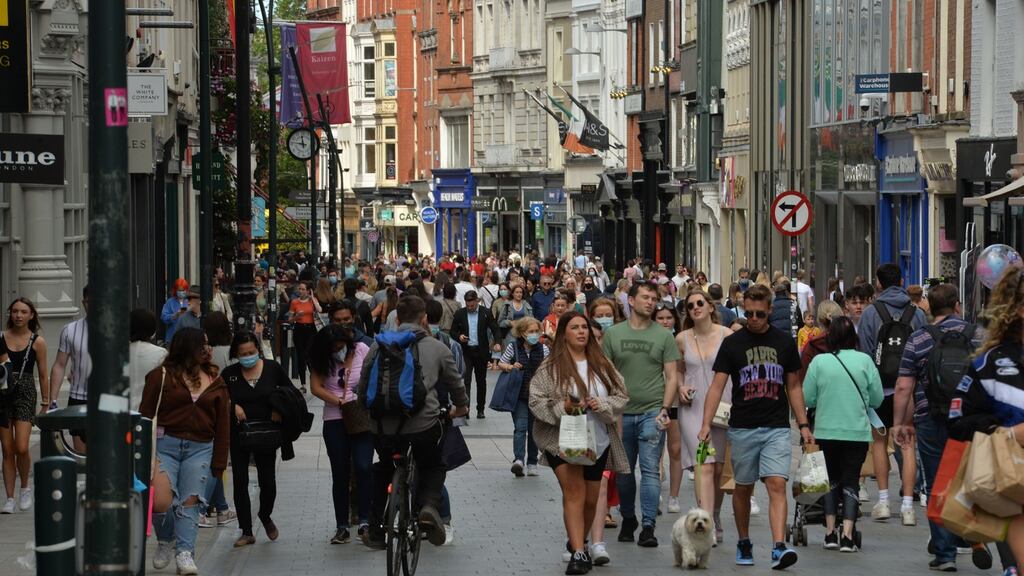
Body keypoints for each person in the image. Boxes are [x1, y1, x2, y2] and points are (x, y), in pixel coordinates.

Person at [698, 283, 813, 569]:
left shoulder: (784, 342)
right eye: (748, 313)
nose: (753, 319)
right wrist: (704, 425)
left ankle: (778, 546)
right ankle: (744, 540)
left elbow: (794, 386)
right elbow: (717, 386)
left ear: (770, 311)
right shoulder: (733, 343)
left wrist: (804, 424)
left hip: (776, 426)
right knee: (743, 489)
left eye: (759, 314)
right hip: (743, 426)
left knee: (776, 483)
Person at [892, 284, 998, 571]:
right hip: (972, 419)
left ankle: (945, 553)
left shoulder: (919, 338)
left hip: (931, 418)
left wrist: (899, 423)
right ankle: (975, 535)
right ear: (957, 306)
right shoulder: (979, 335)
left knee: (938, 483)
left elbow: (904, 386)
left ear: (930, 308)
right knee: (971, 479)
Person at [358, 296, 468, 549]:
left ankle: (375, 528)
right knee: (434, 464)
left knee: (384, 467)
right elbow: (456, 384)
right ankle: (429, 506)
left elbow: (363, 385)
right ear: (425, 318)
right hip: (422, 426)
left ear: (396, 319)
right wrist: (460, 408)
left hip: (383, 427)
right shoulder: (437, 347)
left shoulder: (378, 345)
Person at [530, 312, 629, 575]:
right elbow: (536, 400)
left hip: (597, 439)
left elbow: (621, 395)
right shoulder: (550, 366)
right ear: (564, 333)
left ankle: (578, 539)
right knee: (574, 492)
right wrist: (562, 405)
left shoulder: (602, 364)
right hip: (562, 439)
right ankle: (578, 553)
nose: (581, 332)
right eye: (575, 328)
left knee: (591, 499)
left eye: (584, 327)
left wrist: (603, 404)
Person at [947, 268, 1024, 576]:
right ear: (1017, 309)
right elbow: (958, 420)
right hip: (1016, 481)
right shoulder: (988, 365)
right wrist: (1004, 431)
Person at [140, 327, 230, 575]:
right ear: (188, 347)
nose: (207, 349)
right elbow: (145, 415)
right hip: (164, 444)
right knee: (160, 502)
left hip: (201, 447)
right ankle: (165, 539)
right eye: (202, 344)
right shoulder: (161, 376)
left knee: (191, 501)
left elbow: (223, 424)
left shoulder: (215, 379)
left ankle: (185, 554)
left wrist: (219, 463)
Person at [602, 282, 680, 547]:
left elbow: (671, 377)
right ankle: (627, 518)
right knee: (623, 472)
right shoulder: (613, 334)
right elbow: (605, 374)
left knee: (649, 471)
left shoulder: (664, 336)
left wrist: (664, 409)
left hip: (651, 411)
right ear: (631, 301)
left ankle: (648, 525)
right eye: (645, 297)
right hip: (622, 413)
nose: (651, 302)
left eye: (654, 298)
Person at [802, 316, 883, 553]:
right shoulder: (865, 361)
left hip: (827, 431)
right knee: (851, 480)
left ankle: (829, 533)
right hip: (856, 432)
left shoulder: (819, 362)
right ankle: (847, 535)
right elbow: (877, 398)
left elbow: (808, 398)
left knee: (831, 481)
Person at [857, 263, 926, 523]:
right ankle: (908, 505)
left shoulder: (871, 313)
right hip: (907, 390)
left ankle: (883, 501)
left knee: (878, 442)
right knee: (908, 444)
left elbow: (865, 352)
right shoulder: (916, 313)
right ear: (901, 280)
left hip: (879, 389)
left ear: (878, 283)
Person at [222, 331, 293, 547]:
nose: (248, 356)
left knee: (268, 482)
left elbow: (290, 392)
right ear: (236, 354)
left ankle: (265, 514)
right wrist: (232, 406)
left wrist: (278, 408)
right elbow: (218, 399)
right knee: (240, 481)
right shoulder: (229, 373)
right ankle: (246, 530)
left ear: (258, 350)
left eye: (251, 352)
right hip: (239, 433)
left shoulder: (272, 368)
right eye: (243, 353)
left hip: (266, 433)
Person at [676, 288, 733, 544]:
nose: (695, 307)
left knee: (719, 468)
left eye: (700, 303)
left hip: (723, 407)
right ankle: (706, 523)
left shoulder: (727, 335)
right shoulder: (681, 338)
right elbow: (676, 371)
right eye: (690, 305)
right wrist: (680, 386)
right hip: (693, 407)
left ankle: (715, 514)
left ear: (711, 306)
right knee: (704, 464)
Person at [308, 324, 373, 544]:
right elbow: (315, 388)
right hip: (335, 419)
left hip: (360, 417)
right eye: (334, 346)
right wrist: (339, 401)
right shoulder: (321, 359)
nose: (339, 349)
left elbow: (373, 376)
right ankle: (342, 525)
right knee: (340, 473)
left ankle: (365, 521)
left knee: (364, 467)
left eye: (341, 345)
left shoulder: (362, 350)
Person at [0, 298, 48, 513]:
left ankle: (25, 488)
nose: (18, 315)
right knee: (7, 449)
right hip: (2, 394)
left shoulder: (37, 341)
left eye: (23, 312)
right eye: (15, 311)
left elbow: (44, 374)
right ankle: (9, 498)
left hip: (26, 391)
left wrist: (46, 403)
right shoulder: (1, 338)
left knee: (21, 446)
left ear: (31, 315)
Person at [497, 317, 549, 477]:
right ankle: (518, 460)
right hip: (518, 395)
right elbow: (501, 363)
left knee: (534, 431)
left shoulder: (544, 350)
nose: (534, 334)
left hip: (537, 397)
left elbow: (550, 368)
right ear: (522, 333)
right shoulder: (513, 347)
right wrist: (511, 366)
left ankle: (532, 463)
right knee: (520, 427)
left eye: (536, 331)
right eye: (530, 331)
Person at [49, 285, 91, 452]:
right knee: (81, 456)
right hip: (78, 396)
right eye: (90, 301)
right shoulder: (70, 330)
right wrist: (52, 400)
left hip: (108, 397)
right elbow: (60, 364)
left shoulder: (119, 329)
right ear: (83, 303)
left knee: (106, 454)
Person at [652, 302, 684, 514]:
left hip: (676, 403)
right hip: (654, 401)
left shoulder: (680, 341)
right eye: (661, 318)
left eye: (668, 318)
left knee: (675, 450)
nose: (665, 321)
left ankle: (674, 496)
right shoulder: (650, 340)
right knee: (654, 451)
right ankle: (655, 492)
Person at [450, 290, 502, 419]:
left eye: (472, 305)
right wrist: (459, 336)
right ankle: (466, 409)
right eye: (468, 305)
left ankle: (480, 409)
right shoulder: (460, 314)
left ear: (477, 301)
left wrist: (497, 342)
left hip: (481, 351)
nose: (470, 308)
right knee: (466, 380)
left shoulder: (485, 312)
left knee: (481, 381)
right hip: (466, 351)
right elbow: (453, 331)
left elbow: (495, 328)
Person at [130, 308, 168, 411]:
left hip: (121, 411)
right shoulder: (161, 353)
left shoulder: (117, 353)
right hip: (149, 411)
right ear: (152, 329)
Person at [288, 281, 322, 393]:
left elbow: (320, 310)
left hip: (311, 329)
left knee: (308, 354)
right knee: (300, 356)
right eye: (300, 289)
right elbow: (289, 319)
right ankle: (303, 383)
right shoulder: (294, 302)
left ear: (308, 290)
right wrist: (296, 316)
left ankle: (315, 379)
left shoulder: (312, 300)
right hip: (299, 329)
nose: (301, 291)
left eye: (303, 289)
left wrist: (312, 298)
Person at [161, 278, 192, 343]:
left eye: (183, 290)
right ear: (175, 290)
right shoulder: (170, 302)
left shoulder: (189, 301)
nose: (181, 292)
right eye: (179, 290)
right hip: (172, 338)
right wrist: (175, 315)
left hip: (187, 338)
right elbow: (164, 318)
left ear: (186, 290)